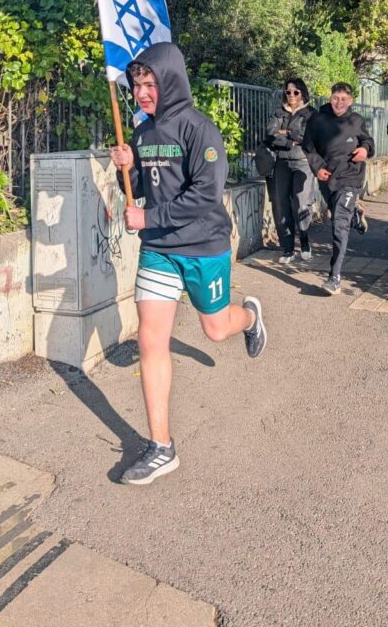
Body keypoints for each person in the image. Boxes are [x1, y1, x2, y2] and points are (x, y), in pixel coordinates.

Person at [110, 41, 267, 486]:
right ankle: (162, 446)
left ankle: (251, 316)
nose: (141, 93)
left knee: (216, 329)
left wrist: (148, 216)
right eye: (136, 85)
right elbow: (143, 185)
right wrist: (126, 164)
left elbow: (204, 195)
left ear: (170, 80)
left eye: (149, 84)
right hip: (158, 248)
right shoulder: (141, 133)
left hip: (203, 246)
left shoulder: (200, 129)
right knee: (150, 341)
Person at [302, 82, 374, 295]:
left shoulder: (356, 120)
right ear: (330, 97)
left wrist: (364, 149)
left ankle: (334, 277)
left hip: (351, 177)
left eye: (344, 99)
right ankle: (354, 214)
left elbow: (368, 141)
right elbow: (308, 147)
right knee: (339, 214)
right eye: (335, 98)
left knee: (338, 224)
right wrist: (317, 168)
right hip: (328, 178)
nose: (339, 103)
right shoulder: (317, 119)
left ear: (351, 101)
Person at [265, 77, 316, 264]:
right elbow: (270, 134)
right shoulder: (278, 112)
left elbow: (306, 135)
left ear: (302, 92)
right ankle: (287, 249)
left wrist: (285, 132)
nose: (292, 95)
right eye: (288, 92)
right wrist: (289, 140)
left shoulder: (310, 113)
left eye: (295, 92)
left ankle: (304, 240)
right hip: (281, 163)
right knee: (281, 205)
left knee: (302, 204)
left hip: (303, 162)